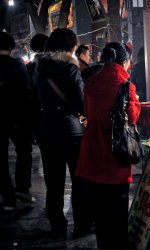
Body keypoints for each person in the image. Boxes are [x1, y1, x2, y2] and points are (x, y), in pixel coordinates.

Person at [76, 42, 140, 250]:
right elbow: (132, 117)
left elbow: (86, 110)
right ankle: (118, 245)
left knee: (99, 199)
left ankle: (103, 243)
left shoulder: (91, 82)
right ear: (124, 61)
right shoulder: (125, 84)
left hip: (93, 146)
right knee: (118, 199)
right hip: (116, 149)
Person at [32, 28, 88, 237]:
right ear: (71, 47)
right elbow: (82, 104)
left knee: (53, 182)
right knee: (79, 180)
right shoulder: (71, 70)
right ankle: (81, 224)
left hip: (47, 130)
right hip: (72, 131)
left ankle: (57, 226)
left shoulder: (37, 68)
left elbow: (34, 98)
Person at [0, 32, 34, 210]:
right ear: (11, 48)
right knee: (24, 152)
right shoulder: (17, 65)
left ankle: (7, 197)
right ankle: (22, 189)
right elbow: (26, 91)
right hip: (18, 118)